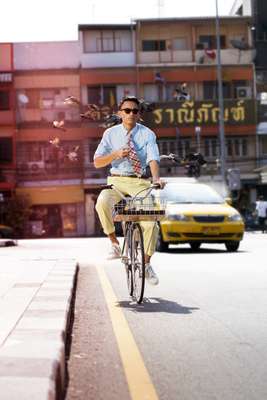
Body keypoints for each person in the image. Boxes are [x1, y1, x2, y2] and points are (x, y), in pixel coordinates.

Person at [94, 96, 165, 285]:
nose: (131, 114)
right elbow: (97, 161)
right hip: (116, 181)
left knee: (151, 224)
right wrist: (116, 154)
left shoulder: (148, 134)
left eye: (135, 111)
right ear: (120, 113)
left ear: (139, 114)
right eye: (127, 110)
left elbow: (153, 159)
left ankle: (147, 264)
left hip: (140, 183)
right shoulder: (110, 134)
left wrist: (156, 179)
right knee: (102, 201)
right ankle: (114, 244)